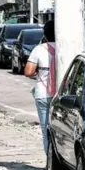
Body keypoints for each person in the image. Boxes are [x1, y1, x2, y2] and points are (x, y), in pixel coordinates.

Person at [24, 20, 56, 158]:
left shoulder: (39, 49)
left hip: (43, 94)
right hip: (62, 96)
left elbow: (28, 71)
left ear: (45, 34)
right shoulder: (68, 47)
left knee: (46, 130)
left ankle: (50, 163)